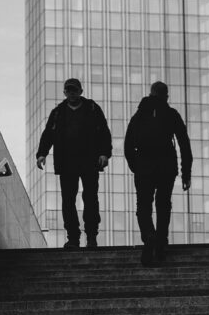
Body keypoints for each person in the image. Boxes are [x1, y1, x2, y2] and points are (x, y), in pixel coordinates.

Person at [36, 78, 112, 250]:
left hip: (89, 161)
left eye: (74, 90)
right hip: (67, 162)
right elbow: (48, 134)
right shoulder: (58, 112)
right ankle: (73, 238)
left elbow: (104, 132)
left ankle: (91, 236)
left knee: (90, 198)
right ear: (65, 92)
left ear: (80, 91)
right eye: (69, 90)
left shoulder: (92, 109)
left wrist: (104, 153)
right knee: (68, 201)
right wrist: (42, 154)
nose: (72, 93)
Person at [124, 81, 192, 266]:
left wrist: (135, 165)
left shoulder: (139, 115)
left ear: (151, 93)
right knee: (163, 204)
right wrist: (186, 173)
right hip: (166, 166)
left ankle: (149, 235)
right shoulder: (171, 114)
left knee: (143, 205)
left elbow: (128, 144)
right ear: (166, 96)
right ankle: (161, 241)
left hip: (144, 165)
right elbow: (184, 144)